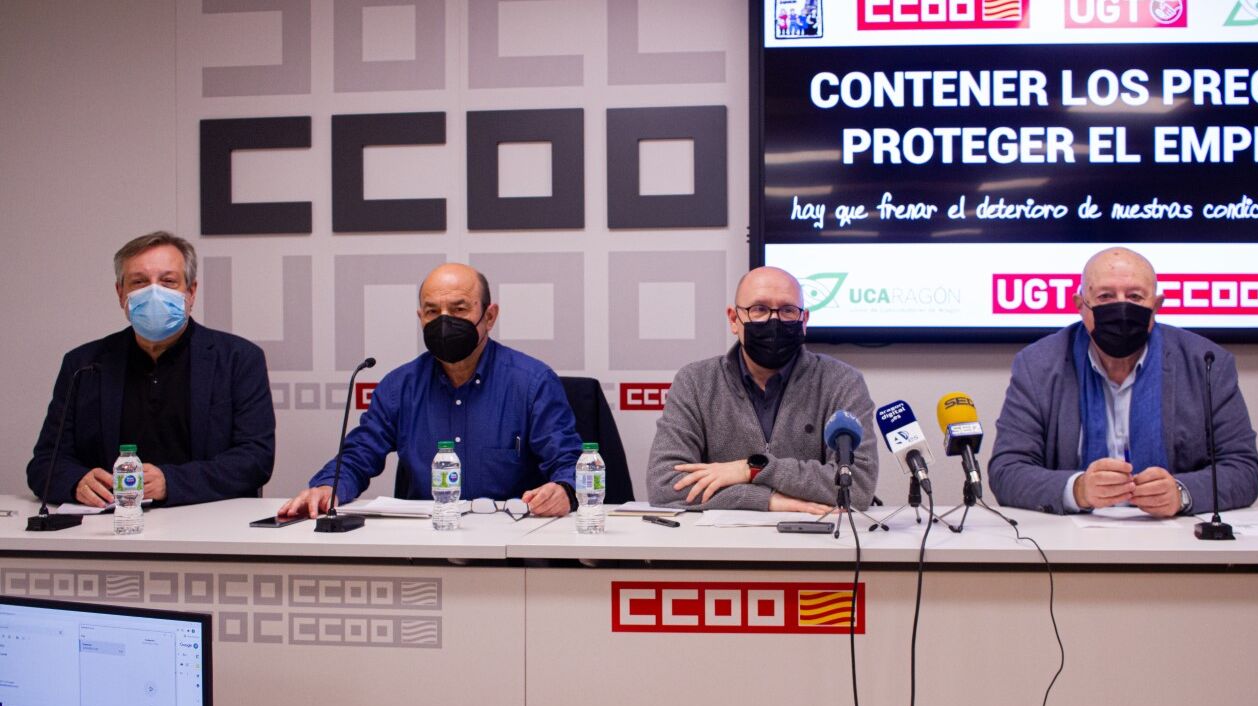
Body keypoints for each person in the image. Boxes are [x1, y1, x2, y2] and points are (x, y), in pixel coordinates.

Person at [279, 263, 582, 518]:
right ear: (420, 317)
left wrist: (565, 490)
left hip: (511, 543)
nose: (444, 321)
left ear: (489, 317)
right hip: (425, 545)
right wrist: (328, 487)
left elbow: (569, 463)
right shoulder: (399, 387)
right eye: (432, 311)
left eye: (459, 309)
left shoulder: (532, 383)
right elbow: (359, 455)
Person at [989, 247, 1258, 517]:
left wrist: (1180, 493)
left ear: (1156, 306)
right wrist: (1077, 489)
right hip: (1070, 537)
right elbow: (1007, 470)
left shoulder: (1206, 363)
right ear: (1080, 305)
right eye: (1105, 296)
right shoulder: (1037, 365)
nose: (1121, 308)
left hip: (1177, 534)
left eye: (1135, 297)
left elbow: (1243, 469)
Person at [27, 231, 275, 507]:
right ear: (121, 293)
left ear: (191, 292)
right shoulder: (84, 364)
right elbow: (45, 463)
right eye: (139, 282)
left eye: (168, 281)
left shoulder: (238, 359)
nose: (154, 292)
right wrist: (76, 483)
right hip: (111, 522)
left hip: (208, 519)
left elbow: (256, 459)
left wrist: (171, 482)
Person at [646, 266, 878, 513]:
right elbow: (665, 484)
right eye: (759, 309)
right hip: (720, 538)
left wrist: (753, 469)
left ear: (804, 321)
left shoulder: (842, 381)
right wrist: (765, 500)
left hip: (814, 535)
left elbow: (857, 485)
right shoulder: (695, 382)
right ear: (734, 319)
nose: (774, 321)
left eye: (788, 310)